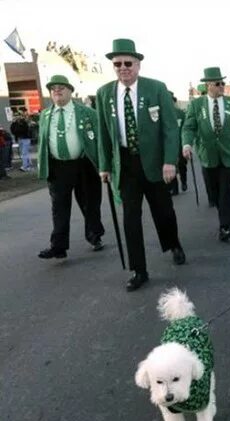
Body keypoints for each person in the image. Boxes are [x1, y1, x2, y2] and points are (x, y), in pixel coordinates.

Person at [96, 38, 186, 291]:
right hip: (125, 164)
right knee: (130, 219)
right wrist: (105, 165)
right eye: (117, 64)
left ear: (138, 65)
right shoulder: (105, 94)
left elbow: (170, 128)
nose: (123, 68)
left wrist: (170, 161)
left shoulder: (156, 88)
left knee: (164, 212)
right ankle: (139, 269)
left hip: (156, 163)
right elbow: (104, 133)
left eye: (128, 63)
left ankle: (173, 244)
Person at [37, 75, 105, 259]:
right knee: (59, 207)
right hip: (58, 168)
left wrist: (104, 164)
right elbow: (44, 141)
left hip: (84, 165)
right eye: (53, 89)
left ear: (70, 91)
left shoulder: (87, 113)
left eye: (61, 87)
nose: (57, 91)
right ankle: (58, 246)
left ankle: (94, 236)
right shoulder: (45, 115)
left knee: (89, 203)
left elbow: (100, 140)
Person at [182, 67, 230, 242]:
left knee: (225, 191)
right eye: (217, 83)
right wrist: (187, 144)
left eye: (223, 83)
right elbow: (189, 127)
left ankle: (225, 226)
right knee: (214, 194)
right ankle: (229, 216)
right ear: (207, 85)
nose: (222, 86)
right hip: (208, 156)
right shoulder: (196, 105)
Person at [168, 92, 188, 195]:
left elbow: (186, 129)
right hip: (169, 146)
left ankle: (184, 181)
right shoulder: (162, 113)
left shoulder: (181, 113)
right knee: (172, 165)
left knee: (182, 165)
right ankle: (174, 188)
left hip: (180, 144)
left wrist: (187, 143)